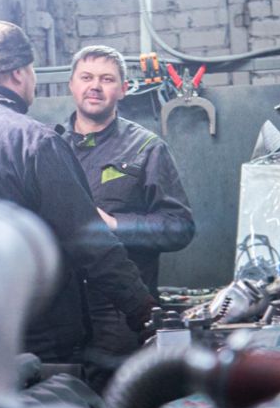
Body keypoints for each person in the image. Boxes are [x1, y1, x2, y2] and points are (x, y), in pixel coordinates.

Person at [0, 21, 155, 363]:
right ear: (19, 73)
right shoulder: (37, 144)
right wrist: (144, 312)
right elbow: (91, 244)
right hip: (35, 344)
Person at [64, 44, 195, 358]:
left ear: (123, 89)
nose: (95, 86)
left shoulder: (146, 148)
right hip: (62, 311)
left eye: (107, 79)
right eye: (86, 77)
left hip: (121, 313)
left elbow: (179, 227)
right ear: (72, 85)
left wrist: (115, 224)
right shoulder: (49, 147)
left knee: (117, 387)